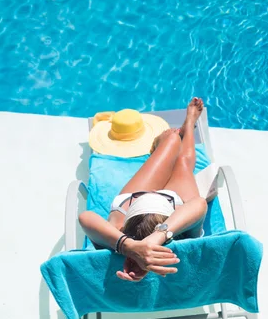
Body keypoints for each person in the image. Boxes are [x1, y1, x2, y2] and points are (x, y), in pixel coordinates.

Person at [79, 98, 208, 282]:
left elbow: (85, 218)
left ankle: (168, 141)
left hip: (133, 203)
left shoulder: (115, 233)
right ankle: (189, 125)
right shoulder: (184, 235)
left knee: (171, 139)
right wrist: (158, 237)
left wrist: (128, 246)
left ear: (123, 229)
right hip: (168, 202)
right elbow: (199, 204)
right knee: (183, 163)